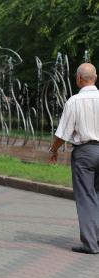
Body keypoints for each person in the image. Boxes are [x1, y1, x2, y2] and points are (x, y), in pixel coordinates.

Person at [49, 62, 99, 254]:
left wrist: (54, 150)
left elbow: (62, 133)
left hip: (85, 154)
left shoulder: (74, 102)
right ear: (95, 77)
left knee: (86, 197)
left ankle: (90, 244)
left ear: (79, 79)